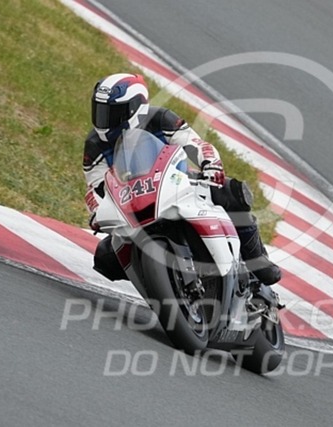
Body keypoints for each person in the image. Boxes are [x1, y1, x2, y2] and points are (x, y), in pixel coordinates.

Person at [83, 73, 281, 285]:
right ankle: (157, 278)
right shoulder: (94, 145)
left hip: (176, 181)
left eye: (112, 112)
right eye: (100, 110)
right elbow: (96, 187)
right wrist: (98, 212)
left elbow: (194, 143)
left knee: (232, 191)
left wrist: (210, 164)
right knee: (105, 258)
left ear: (135, 107)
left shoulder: (161, 118)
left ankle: (257, 259)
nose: (105, 119)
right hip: (132, 202)